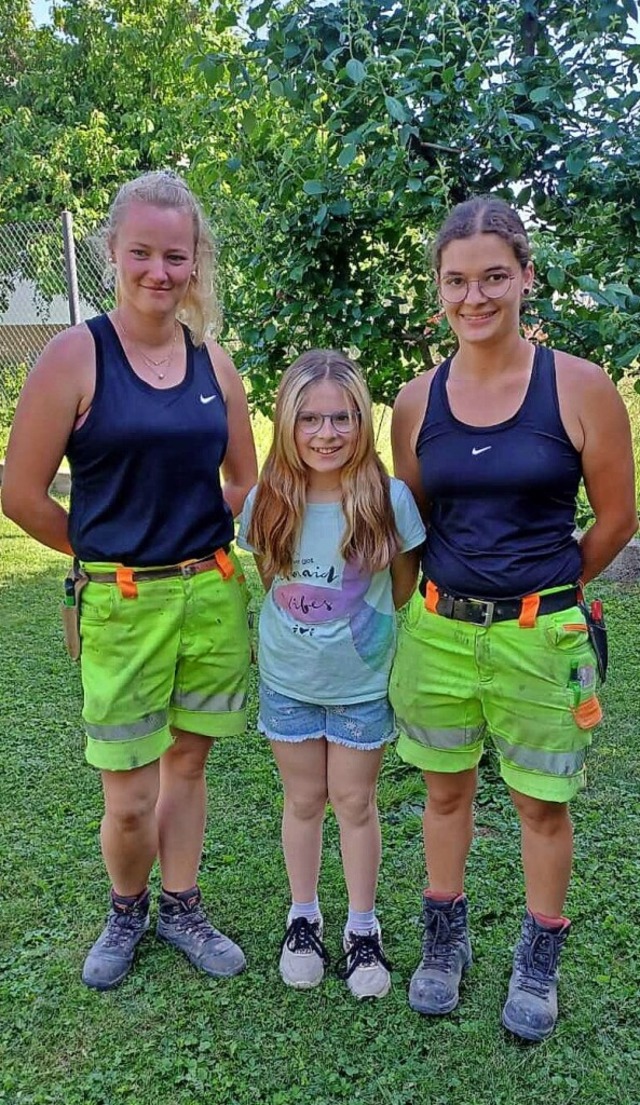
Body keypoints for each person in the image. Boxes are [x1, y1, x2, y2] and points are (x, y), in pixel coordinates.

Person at [389, 196, 638, 1041]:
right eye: (457, 280)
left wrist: (554, 588)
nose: (475, 297)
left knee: (541, 805)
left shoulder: (579, 387)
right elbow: (411, 523)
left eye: (495, 275)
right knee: (445, 791)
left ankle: (538, 957)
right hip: (439, 633)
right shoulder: (416, 400)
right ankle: (443, 941)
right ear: (439, 289)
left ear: (528, 276)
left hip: (542, 637)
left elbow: (615, 518)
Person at [2, 170, 258, 990]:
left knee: (188, 765)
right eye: (142, 252)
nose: (159, 270)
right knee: (128, 794)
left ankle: (181, 905)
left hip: (211, 593)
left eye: (175, 256)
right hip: (121, 602)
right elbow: (19, 492)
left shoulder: (211, 360)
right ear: (112, 250)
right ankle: (126, 908)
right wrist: (100, 550)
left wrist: (194, 530)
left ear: (195, 263)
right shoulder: (76, 354)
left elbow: (243, 481)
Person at [237, 350, 425, 999]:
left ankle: (362, 928)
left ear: (361, 421)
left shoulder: (387, 498)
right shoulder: (268, 501)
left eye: (341, 417)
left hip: (360, 688)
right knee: (304, 800)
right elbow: (271, 577)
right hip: (288, 684)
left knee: (354, 801)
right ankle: (303, 917)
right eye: (310, 418)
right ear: (288, 423)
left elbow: (401, 588)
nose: (325, 432)